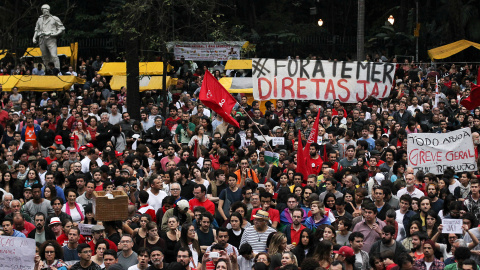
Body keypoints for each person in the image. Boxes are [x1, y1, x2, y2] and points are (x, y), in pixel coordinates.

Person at [33, 4, 65, 68]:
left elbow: (61, 28)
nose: (46, 12)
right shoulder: (40, 19)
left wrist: (56, 33)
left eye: (47, 11)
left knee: (53, 55)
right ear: (42, 11)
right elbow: (36, 29)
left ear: (49, 10)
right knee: (44, 56)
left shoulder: (54, 18)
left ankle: (57, 71)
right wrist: (34, 38)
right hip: (41, 39)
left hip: (51, 38)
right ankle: (48, 70)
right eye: (44, 11)